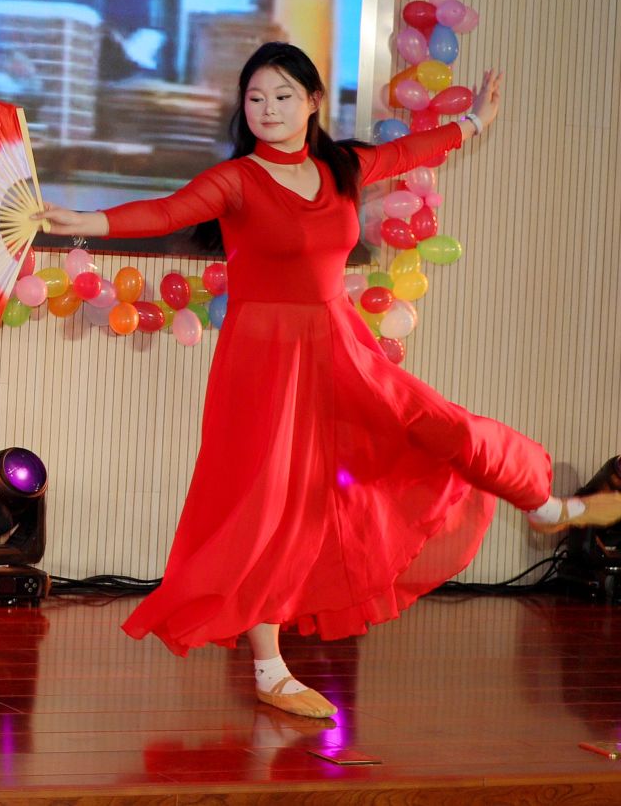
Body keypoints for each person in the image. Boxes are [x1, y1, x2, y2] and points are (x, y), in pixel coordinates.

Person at [36, 42, 565, 719]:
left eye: (283, 95)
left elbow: (408, 153)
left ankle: (537, 497)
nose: (268, 109)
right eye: (255, 98)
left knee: (432, 426)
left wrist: (473, 123)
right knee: (269, 502)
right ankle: (269, 667)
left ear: (313, 101)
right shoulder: (237, 179)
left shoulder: (341, 167)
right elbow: (168, 211)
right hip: (263, 360)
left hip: (339, 345)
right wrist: (89, 222)